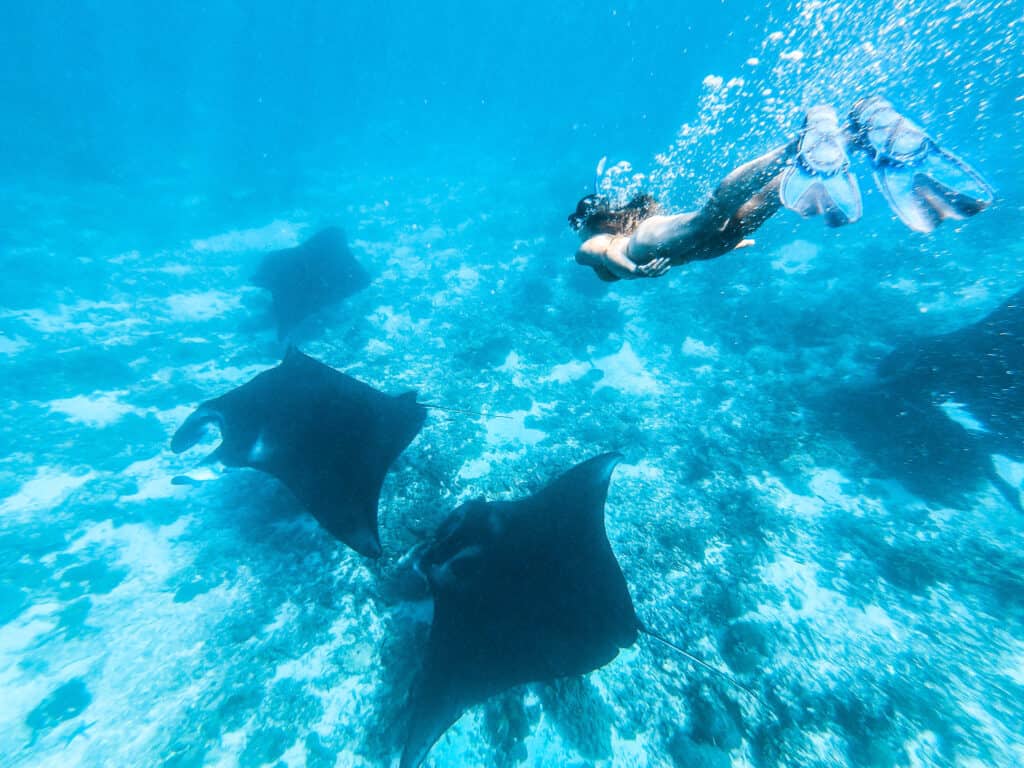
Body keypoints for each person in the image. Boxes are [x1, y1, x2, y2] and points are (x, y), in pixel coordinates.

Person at [570, 96, 995, 282]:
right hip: (695, 247)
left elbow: (607, 255)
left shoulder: (594, 245)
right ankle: (854, 133)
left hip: (651, 246)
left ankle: (797, 143)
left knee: (712, 212)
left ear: (589, 222)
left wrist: (637, 273)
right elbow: (627, 266)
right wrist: (723, 250)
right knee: (763, 200)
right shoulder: (614, 239)